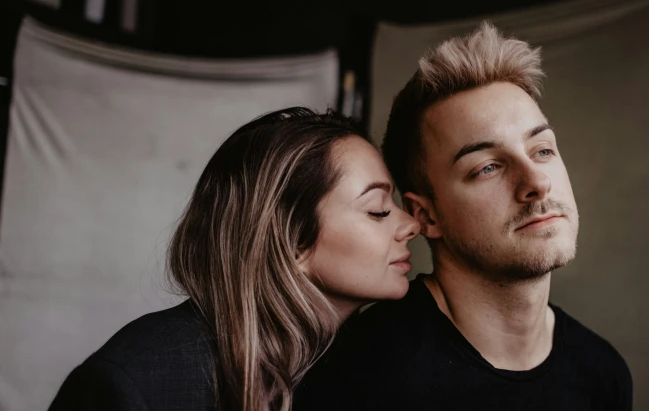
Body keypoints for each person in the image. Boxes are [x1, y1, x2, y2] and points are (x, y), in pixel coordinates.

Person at [295, 23, 632, 410]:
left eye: (542, 150)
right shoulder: (356, 377)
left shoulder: (602, 373)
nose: (537, 182)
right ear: (426, 215)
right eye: (487, 167)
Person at [48, 107, 419, 411]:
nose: (411, 225)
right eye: (378, 210)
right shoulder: (140, 382)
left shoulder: (369, 366)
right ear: (291, 241)